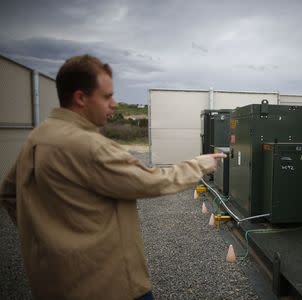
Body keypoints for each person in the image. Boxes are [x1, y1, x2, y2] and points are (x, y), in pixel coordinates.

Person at [0, 54, 225, 300]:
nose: (115, 104)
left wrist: (49, 240)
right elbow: (150, 181)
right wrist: (198, 165)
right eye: (107, 96)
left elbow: (10, 193)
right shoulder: (88, 146)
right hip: (108, 285)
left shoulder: (38, 136)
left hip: (56, 285)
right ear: (80, 98)